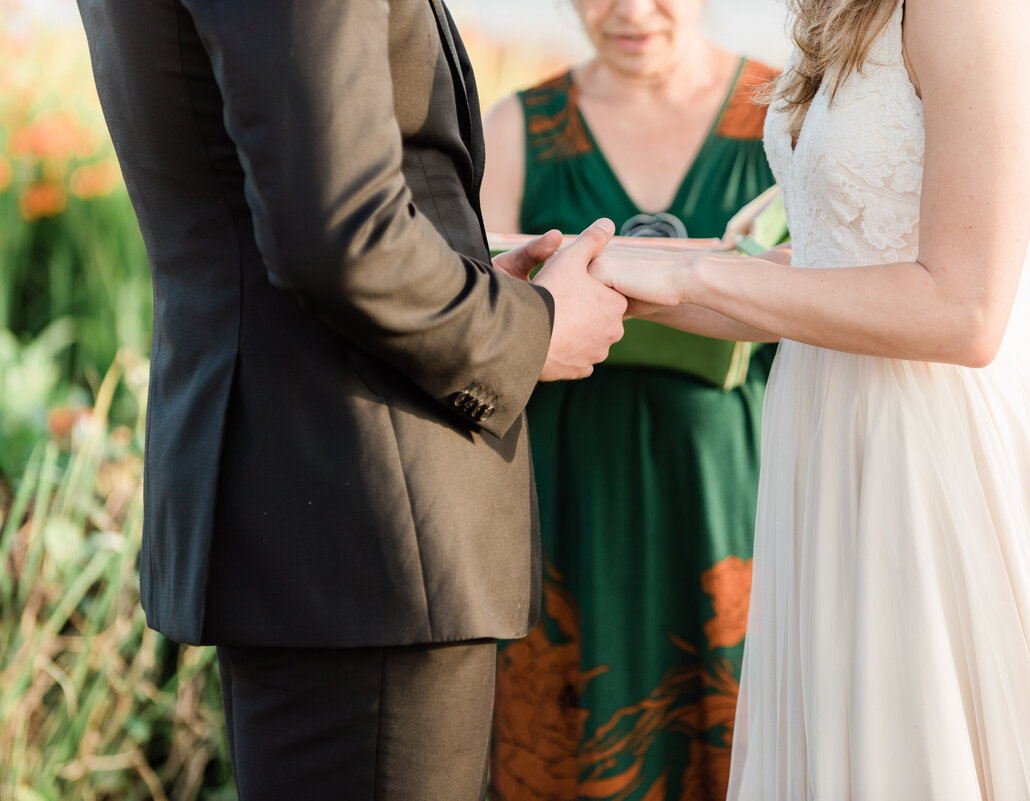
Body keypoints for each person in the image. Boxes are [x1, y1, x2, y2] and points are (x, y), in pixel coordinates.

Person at [590, 0, 1030, 796]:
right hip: (838, 439)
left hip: (935, 457)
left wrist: (688, 274)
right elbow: (825, 264)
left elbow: (965, 309)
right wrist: (606, 269)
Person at [74, 0, 627, 799]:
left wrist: (466, 285)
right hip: (369, 517)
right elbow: (337, 228)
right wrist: (531, 332)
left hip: (321, 507)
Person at [480, 1, 778, 798]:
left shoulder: (783, 113)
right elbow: (468, 311)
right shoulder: (517, 127)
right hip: (567, 489)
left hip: (733, 489)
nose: (632, 10)